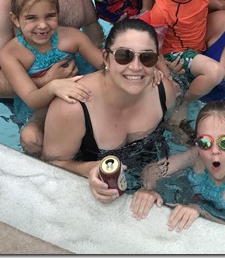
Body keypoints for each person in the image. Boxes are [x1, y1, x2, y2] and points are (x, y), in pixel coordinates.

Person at [42, 18, 177, 201]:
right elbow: (50, 165)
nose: (136, 67)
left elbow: (173, 129)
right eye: (124, 56)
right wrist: (87, 169)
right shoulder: (72, 107)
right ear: (106, 58)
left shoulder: (163, 91)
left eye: (146, 58)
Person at [0, 0, 104, 155]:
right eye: (31, 18)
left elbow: (105, 66)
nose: (42, 25)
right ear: (16, 20)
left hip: (81, 92)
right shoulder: (11, 54)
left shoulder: (71, 37)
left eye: (50, 16)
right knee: (30, 138)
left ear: (58, 14)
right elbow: (32, 99)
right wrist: (54, 86)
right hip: (41, 108)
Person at [130, 100, 225, 233]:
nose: (214, 151)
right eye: (204, 142)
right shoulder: (196, 156)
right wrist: (147, 190)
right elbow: (152, 170)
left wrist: (201, 213)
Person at [140, 0, 224, 125]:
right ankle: (184, 104)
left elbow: (206, 0)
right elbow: (154, 48)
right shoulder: (162, 10)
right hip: (176, 54)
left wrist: (223, 5)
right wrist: (168, 75)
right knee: (215, 72)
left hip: (198, 47)